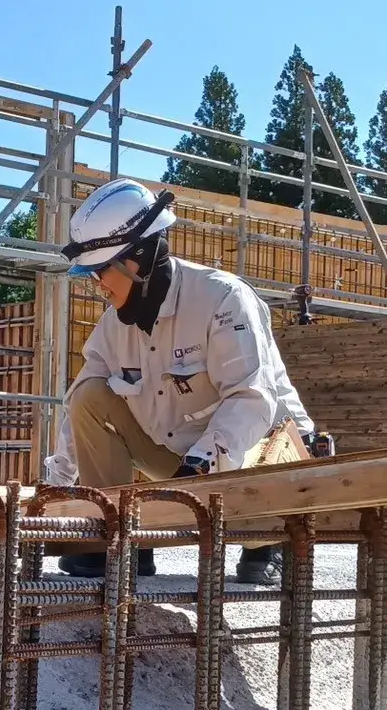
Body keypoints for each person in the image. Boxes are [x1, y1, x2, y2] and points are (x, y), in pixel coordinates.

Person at [44, 177, 316, 587]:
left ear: (136, 261)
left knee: (256, 535)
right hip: (180, 460)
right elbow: (80, 408)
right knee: (90, 396)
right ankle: (119, 538)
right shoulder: (113, 328)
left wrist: (196, 469)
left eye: (100, 271)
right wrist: (54, 490)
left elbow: (251, 400)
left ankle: (267, 540)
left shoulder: (222, 299)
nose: (96, 285)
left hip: (260, 457)